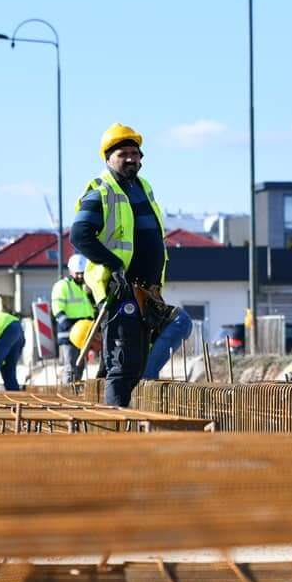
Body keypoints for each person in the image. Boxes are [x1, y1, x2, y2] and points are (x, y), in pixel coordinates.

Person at [71, 123, 192, 406]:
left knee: (174, 328)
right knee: (123, 366)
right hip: (121, 290)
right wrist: (114, 264)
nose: (130, 159)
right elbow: (80, 235)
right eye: (123, 154)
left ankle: (136, 403)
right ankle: (116, 426)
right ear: (108, 158)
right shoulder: (101, 190)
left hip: (146, 291)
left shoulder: (142, 187)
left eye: (135, 154)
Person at [51, 253, 98, 382]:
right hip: (69, 333)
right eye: (77, 273)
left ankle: (75, 389)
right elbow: (57, 310)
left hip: (85, 332)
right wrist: (71, 327)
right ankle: (68, 389)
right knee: (71, 366)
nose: (80, 276)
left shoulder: (87, 287)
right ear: (71, 271)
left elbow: (93, 308)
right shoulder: (62, 286)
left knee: (80, 366)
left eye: (82, 273)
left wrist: (90, 295)